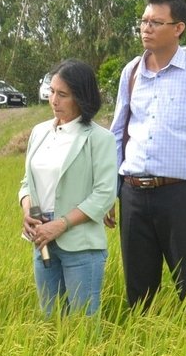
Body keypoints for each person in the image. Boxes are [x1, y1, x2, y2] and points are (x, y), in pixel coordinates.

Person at [107, 0, 186, 310]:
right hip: (133, 194)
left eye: (156, 22)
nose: (146, 28)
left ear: (178, 28)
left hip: (180, 198)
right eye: (144, 21)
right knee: (138, 292)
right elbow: (117, 134)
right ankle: (143, 338)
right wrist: (109, 192)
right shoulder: (131, 72)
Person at [18, 60, 117, 317]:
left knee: (83, 324)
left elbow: (104, 194)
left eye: (62, 94)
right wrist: (28, 211)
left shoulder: (99, 138)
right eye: (52, 91)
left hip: (80, 243)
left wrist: (61, 224)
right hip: (42, 237)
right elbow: (27, 182)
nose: (54, 100)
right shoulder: (39, 132)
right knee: (51, 320)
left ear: (81, 98)